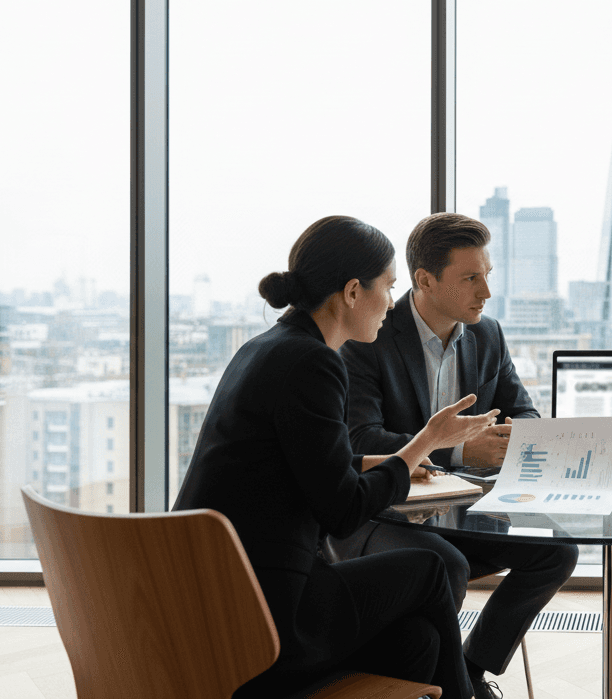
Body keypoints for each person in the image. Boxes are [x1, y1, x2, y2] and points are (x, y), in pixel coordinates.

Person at [173, 216, 499, 699]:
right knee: (431, 570)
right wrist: (425, 441)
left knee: (419, 642)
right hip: (270, 617)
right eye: (387, 289)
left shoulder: (265, 348)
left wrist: (391, 461)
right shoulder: (314, 362)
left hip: (218, 602)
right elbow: (342, 510)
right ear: (351, 292)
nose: (392, 304)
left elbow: (303, 466)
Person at [328, 213, 580, 698]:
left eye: (487, 275)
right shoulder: (369, 334)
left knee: (558, 550)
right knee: (449, 566)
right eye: (470, 278)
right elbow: (360, 439)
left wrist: (515, 436)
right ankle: (449, 687)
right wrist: (461, 447)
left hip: (463, 511)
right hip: (382, 515)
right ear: (424, 280)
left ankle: (470, 668)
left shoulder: (488, 335)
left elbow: (523, 410)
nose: (486, 291)